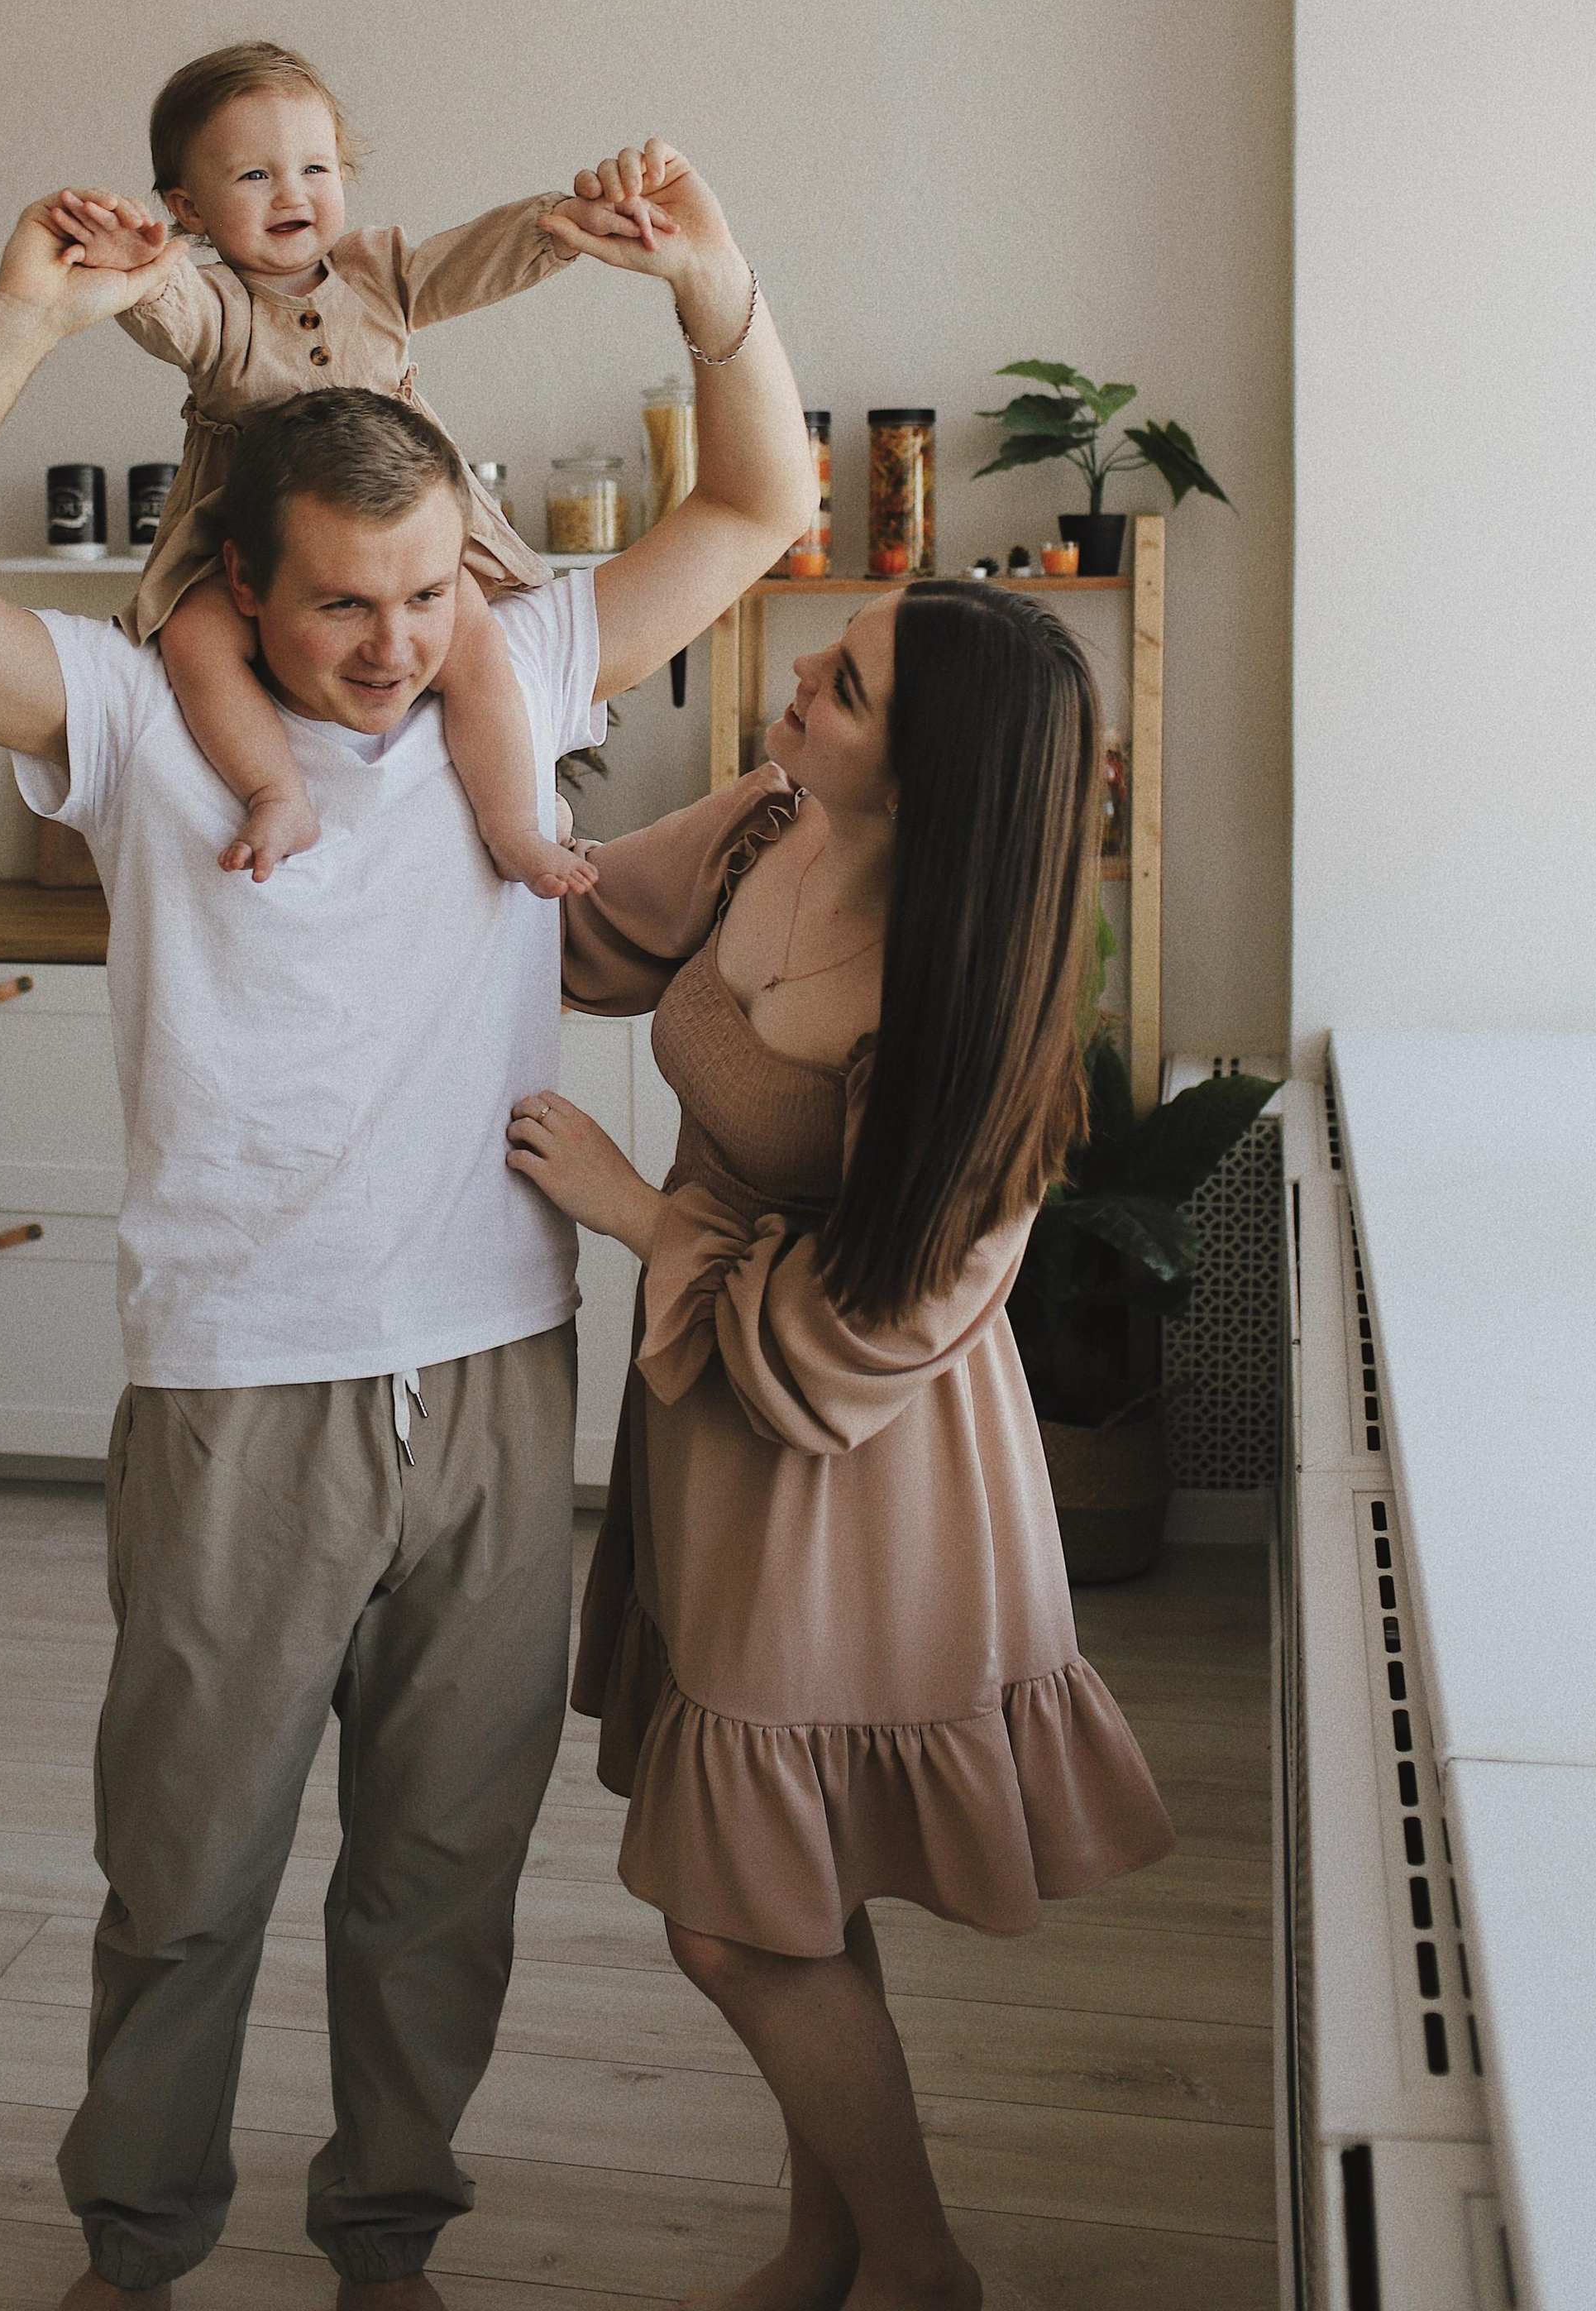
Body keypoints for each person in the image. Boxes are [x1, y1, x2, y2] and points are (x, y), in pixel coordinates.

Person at [0, 138, 817, 2311]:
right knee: (184, 1874)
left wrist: (716, 294)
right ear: (237, 585)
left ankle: (389, 2248)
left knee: (443, 1876)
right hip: (244, 1380)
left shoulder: (514, 682)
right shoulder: (150, 718)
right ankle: (136, 2252)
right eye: (343, 600)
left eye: (431, 591)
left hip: (499, 1369)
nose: (394, 645)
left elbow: (756, 514)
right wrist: (25, 320)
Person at [505, 584, 1175, 2311]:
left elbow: (869, 1340)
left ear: (929, 776)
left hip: (856, 1480)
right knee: (788, 1891)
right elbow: (577, 924)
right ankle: (828, 2250)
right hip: (716, 1445)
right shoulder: (768, 822)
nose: (798, 673)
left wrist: (641, 1217)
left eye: (848, 683)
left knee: (728, 1917)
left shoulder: (968, 1016)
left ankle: (919, 2269)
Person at [45, 36, 634, 897]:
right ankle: (276, 792)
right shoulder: (213, 304)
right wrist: (134, 263)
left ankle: (516, 823)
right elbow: (162, 310)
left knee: (472, 632)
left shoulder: (377, 275)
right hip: (255, 536)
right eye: (253, 177)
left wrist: (560, 224)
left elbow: (469, 260)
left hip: (403, 529)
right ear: (190, 206)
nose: (292, 193)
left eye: (315, 168)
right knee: (196, 634)